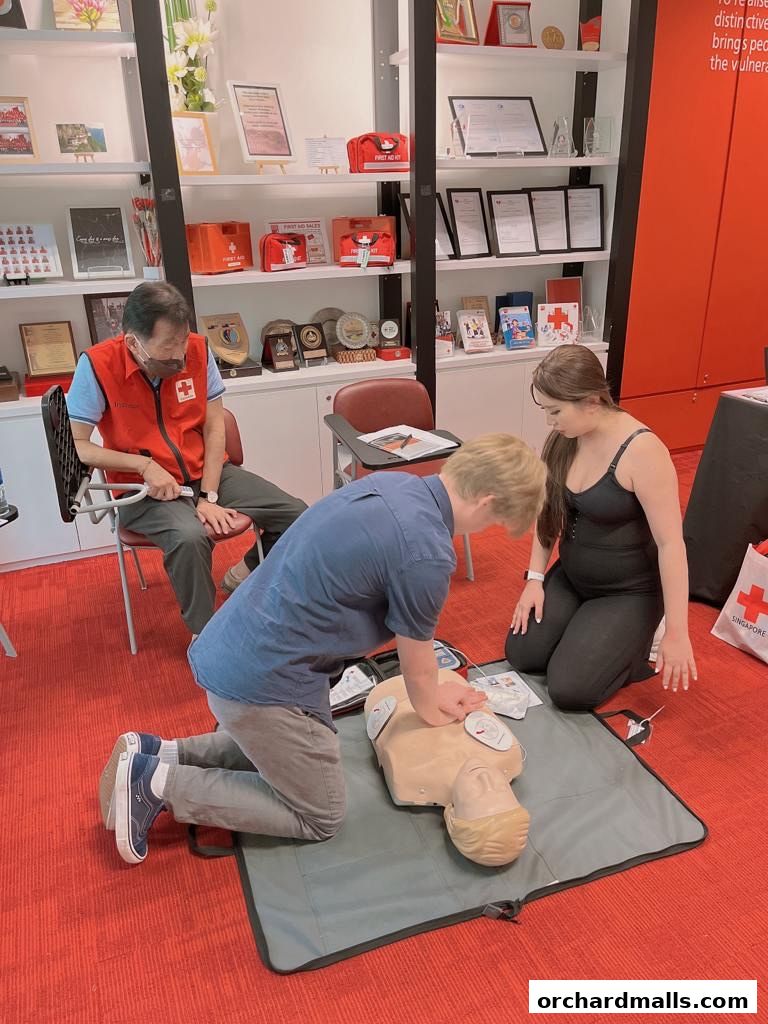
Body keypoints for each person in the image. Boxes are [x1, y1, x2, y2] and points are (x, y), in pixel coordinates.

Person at [98, 434, 547, 865]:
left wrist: (432, 695)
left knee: (293, 750)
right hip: (258, 682)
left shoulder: (394, 484)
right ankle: (157, 783)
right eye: (493, 523)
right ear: (486, 503)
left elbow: (419, 669)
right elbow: (418, 671)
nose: (486, 530)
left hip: (230, 646)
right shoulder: (426, 552)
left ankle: (164, 752)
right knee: (321, 812)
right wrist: (434, 710)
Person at [67, 282, 306, 636]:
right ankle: (205, 634)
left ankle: (242, 574)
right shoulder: (98, 366)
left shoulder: (196, 349)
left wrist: (208, 494)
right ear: (133, 341)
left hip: (204, 471)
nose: (179, 356)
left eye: (182, 341)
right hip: (142, 488)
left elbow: (213, 428)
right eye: (167, 347)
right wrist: (145, 467)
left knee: (297, 514)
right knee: (190, 537)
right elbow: (78, 445)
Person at [505, 346, 697, 711]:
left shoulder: (643, 452)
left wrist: (677, 631)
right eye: (546, 411)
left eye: (555, 411)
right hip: (573, 577)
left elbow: (672, 546)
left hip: (628, 591)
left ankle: (640, 641)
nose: (550, 422)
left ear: (592, 401)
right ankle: (590, 630)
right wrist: (534, 579)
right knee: (522, 653)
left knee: (570, 690)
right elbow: (547, 513)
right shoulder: (565, 439)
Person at [364, 673, 530, 867]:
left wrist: (426, 695)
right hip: (442, 677)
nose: (485, 777)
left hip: (390, 691)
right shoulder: (508, 755)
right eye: (502, 789)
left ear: (452, 816)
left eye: (478, 793)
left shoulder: (409, 777)